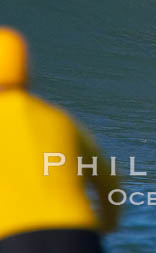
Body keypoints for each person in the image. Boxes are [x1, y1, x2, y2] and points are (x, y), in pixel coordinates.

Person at [0, 26, 120, 252]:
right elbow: (108, 180)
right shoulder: (60, 119)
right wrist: (105, 226)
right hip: (79, 235)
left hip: (15, 237)